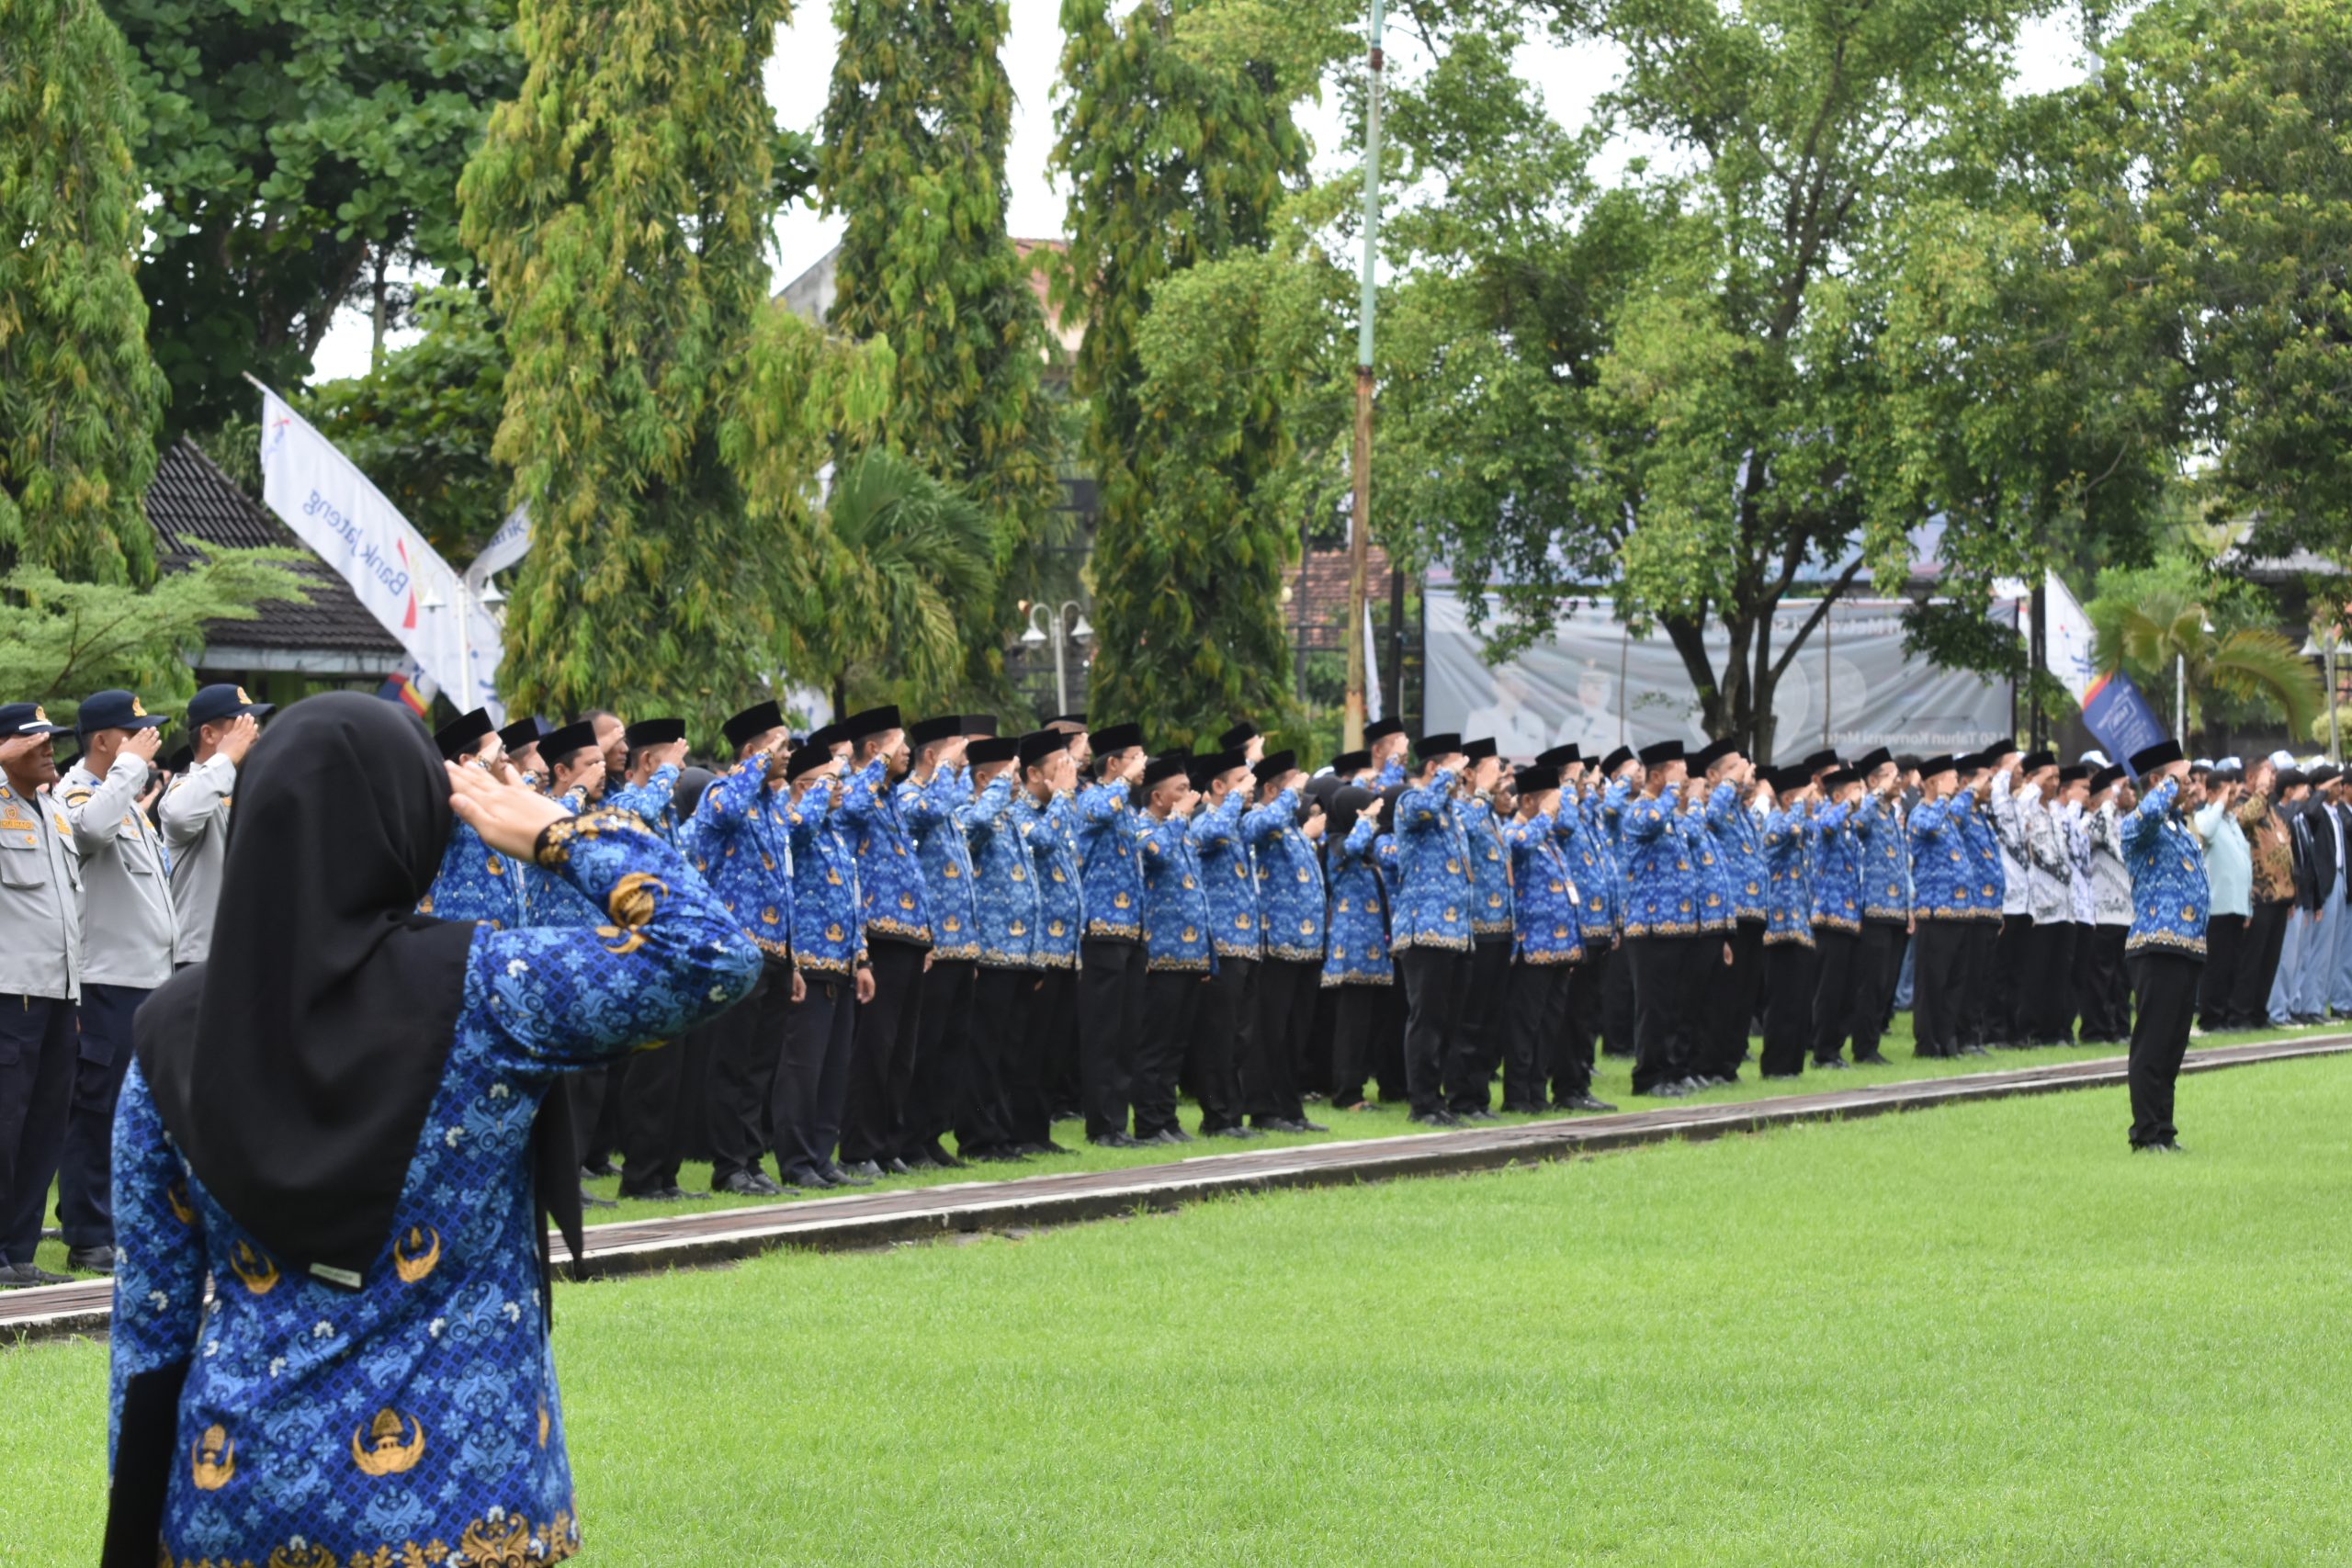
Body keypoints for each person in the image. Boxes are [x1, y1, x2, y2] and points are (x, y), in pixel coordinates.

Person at [100, 693, 759, 1567]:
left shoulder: (170, 1032)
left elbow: (150, 1332)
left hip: (237, 1494)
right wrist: (560, 831)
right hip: (462, 1500)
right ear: (413, 825)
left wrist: (132, 1537)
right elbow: (713, 954)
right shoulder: (489, 988)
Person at [57, 692, 184, 1275]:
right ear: (104, 740)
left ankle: (120, 1223)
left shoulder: (124, 800)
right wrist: (130, 769)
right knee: (97, 1111)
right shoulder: (78, 793)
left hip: (148, 980)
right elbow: (87, 833)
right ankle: (88, 1232)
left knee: (138, 1115)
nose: (146, 740)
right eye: (134, 733)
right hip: (107, 982)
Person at [682, 701, 804, 1196]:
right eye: (779, 746)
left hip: (775, 953)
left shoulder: (774, 805)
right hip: (735, 951)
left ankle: (751, 1161)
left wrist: (794, 959)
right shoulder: (721, 793)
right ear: (752, 751)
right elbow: (728, 809)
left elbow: (784, 884)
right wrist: (757, 763)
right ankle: (728, 1165)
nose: (788, 754)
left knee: (760, 1067)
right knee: (730, 1064)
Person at [0, 702, 83, 1289]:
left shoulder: (54, 810)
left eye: (52, 738)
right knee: (5, 1122)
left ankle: (20, 1251)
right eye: (35, 741)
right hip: (11, 992)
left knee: (44, 1124)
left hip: (59, 991)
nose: (50, 747)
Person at [835, 706, 930, 1179]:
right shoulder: (855, 788)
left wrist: (926, 933)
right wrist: (875, 766)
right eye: (898, 744)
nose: (907, 751)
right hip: (878, 935)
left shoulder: (889, 797)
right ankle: (858, 1148)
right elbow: (849, 810)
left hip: (909, 935)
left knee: (900, 1053)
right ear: (874, 750)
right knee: (874, 1047)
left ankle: (889, 1142)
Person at [777, 737, 875, 1189]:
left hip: (841, 963)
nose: (841, 788)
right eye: (831, 781)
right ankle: (796, 1161)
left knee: (835, 1069)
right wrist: (820, 786)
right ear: (803, 786)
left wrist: (862, 958)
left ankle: (822, 1156)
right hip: (809, 961)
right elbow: (797, 831)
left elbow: (850, 901)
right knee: (803, 1069)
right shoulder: (795, 822)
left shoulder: (834, 832)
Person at [959, 733, 1056, 1156]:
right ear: (984, 778)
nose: (1016, 780)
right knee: (982, 1052)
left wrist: (1036, 955)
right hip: (992, 951)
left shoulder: (1012, 818)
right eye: (1008, 773)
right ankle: (979, 1137)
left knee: (1008, 1052)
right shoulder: (970, 812)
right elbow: (975, 827)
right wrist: (999, 787)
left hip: (1021, 954)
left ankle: (1002, 1132)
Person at [900, 716, 989, 1164]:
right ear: (933, 756)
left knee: (951, 1049)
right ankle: (911, 1137)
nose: (964, 763)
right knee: (926, 1046)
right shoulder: (910, 797)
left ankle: (933, 1134)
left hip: (962, 945)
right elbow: (927, 812)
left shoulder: (947, 802)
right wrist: (947, 773)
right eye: (957, 754)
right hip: (933, 944)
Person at [2117, 739, 2208, 1152]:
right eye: (2180, 778)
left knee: (2173, 1046)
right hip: (2156, 945)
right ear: (2157, 781)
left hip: (2187, 945)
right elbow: (2147, 815)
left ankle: (2164, 1131)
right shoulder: (2140, 824)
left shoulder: (2178, 827)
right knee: (2152, 1043)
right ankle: (2145, 1133)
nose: (2189, 785)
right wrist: (2170, 782)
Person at [1392, 734, 1477, 1123]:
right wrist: (1447, 774)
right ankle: (1422, 1103)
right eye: (1457, 768)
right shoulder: (1411, 801)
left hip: (1457, 932)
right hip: (1425, 930)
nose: (1461, 777)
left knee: (1448, 1022)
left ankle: (1438, 1100)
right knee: (1425, 1020)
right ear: (1433, 768)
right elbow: (1422, 806)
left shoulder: (1452, 813)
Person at [1621, 739, 1711, 1096]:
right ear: (1657, 776)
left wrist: (1695, 801)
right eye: (1679, 771)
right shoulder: (1639, 811)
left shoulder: (1671, 814)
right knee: (1653, 1008)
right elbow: (1651, 823)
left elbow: (1695, 834)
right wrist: (1673, 793)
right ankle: (1647, 1078)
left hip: (1680, 926)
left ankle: (1672, 1072)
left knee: (1674, 1007)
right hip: (1651, 928)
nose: (1686, 778)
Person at [1073, 722, 1148, 1146]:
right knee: (1102, 1032)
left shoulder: (1128, 808)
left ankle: (1118, 1121)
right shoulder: (1091, 796)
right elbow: (1097, 814)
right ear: (1114, 764)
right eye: (1135, 757)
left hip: (1132, 931)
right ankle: (1100, 1124)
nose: (1143, 765)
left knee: (1126, 1032)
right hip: (1101, 929)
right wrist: (1122, 782)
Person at [1247, 749, 1329, 1134]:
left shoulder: (1293, 830)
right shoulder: (1259, 818)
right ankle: (1264, 1109)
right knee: (1270, 1032)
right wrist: (1289, 797)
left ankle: (1290, 1108)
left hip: (1307, 946)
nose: (1299, 796)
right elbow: (1259, 827)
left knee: (1296, 1033)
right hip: (1276, 943)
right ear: (1271, 789)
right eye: (1293, 787)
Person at [156, 684, 269, 964]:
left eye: (254, 723)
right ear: (209, 735)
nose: (254, 733)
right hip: (200, 956)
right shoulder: (186, 788)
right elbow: (180, 816)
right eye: (242, 725)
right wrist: (226, 758)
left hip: (246, 950)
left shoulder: (243, 786)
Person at [1133, 752, 1212, 1145]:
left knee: (1176, 1045)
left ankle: (1167, 1119)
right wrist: (1180, 818)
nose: (1189, 796)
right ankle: (1149, 1123)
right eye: (1181, 789)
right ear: (1157, 796)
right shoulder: (1143, 828)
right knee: (1154, 1044)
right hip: (1160, 955)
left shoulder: (1181, 831)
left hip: (1189, 954)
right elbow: (1157, 856)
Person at [1187, 748, 1262, 1137]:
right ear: (1218, 786)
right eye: (1240, 781)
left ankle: (1233, 1114)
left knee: (1240, 1036)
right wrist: (1234, 799)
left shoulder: (1237, 824)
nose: (1249, 788)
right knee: (1217, 1036)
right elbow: (1206, 835)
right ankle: (1216, 1117)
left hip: (1246, 943)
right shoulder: (1205, 820)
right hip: (1220, 945)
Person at [1499, 766, 1583, 1111]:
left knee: (1549, 1024)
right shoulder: (1514, 831)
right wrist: (1546, 814)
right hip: (1531, 945)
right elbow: (1518, 846)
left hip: (1560, 947)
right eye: (1549, 803)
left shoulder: (1548, 839)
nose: (1556, 811)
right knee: (1525, 1024)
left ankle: (1537, 1091)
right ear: (1528, 801)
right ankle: (1517, 1095)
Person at [1016, 731, 1085, 1130]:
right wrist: (1062, 796)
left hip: (1067, 948)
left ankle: (1039, 1129)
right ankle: (1024, 1127)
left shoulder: (1060, 809)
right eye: (1060, 768)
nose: (1069, 774)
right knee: (1033, 1043)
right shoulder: (1020, 812)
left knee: (1056, 1044)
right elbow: (1041, 842)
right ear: (1033, 774)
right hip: (1038, 946)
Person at [1321, 785, 1396, 1114]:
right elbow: (1351, 845)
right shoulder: (1338, 848)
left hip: (1373, 951)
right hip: (1350, 950)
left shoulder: (1365, 852)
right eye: (1367, 811)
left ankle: (1358, 1089)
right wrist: (1366, 819)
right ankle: (1346, 1093)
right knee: (1351, 1026)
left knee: (1366, 1025)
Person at [422, 709, 526, 931]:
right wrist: (478, 766)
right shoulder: (450, 804)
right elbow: (444, 799)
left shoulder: (501, 806)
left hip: (505, 942)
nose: (506, 757)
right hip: (460, 941)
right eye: (498, 750)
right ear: (467, 761)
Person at [1905, 755, 1973, 1059]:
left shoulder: (1947, 816)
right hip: (1935, 910)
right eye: (1950, 777)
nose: (1956, 783)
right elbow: (1930, 826)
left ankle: (1947, 1039)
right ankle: (1927, 1042)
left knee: (1955, 981)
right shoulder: (1921, 814)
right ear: (1933, 782)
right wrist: (1943, 798)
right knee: (1932, 981)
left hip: (1960, 910)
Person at [1758, 767, 1818, 1077]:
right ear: (1788, 799)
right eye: (1807, 797)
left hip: (1801, 925)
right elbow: (1779, 835)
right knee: (1782, 1000)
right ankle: (1775, 1066)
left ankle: (1792, 1065)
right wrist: (1797, 804)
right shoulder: (1776, 821)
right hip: (1780, 927)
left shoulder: (1800, 827)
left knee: (1799, 1000)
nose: (1812, 802)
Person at [1849, 748, 1906, 1066]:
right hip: (1874, 908)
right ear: (1873, 781)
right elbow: (1856, 823)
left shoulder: (1891, 814)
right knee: (1871, 982)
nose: (1898, 780)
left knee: (1886, 984)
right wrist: (1874, 794)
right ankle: (1864, 1048)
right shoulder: (1868, 810)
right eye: (1890, 775)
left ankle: (1873, 1043)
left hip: (1897, 909)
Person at [1806, 765, 1865, 1067]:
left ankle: (1835, 1048)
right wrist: (1848, 804)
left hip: (1850, 917)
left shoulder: (1848, 827)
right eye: (1856, 791)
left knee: (1847, 991)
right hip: (1829, 917)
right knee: (1829, 990)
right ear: (1840, 796)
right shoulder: (1826, 818)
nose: (1861, 797)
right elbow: (1827, 824)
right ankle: (1822, 1051)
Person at [2238, 761, 2298, 1031]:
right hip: (2259, 894)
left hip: (2279, 895)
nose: (2273, 778)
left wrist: (2290, 892)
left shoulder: (2270, 808)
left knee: (2269, 959)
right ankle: (2242, 1012)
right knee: (2252, 959)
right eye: (2267, 773)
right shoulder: (2243, 803)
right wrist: (2261, 791)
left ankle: (2259, 1013)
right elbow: (2244, 820)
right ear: (2251, 776)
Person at [2194, 763, 2253, 1033]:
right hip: (2217, 906)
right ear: (2212, 793)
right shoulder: (2206, 817)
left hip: (2236, 904)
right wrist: (2217, 802)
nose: (2233, 799)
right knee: (2216, 965)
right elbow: (2205, 832)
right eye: (2229, 793)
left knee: (2232, 965)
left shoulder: (2231, 822)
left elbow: (2244, 863)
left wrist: (2248, 907)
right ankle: (2211, 1017)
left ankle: (2227, 1014)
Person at [2080, 766, 2136, 1043]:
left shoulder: (2123, 823)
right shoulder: (2091, 821)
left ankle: (2121, 1027)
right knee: (2100, 975)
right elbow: (2089, 838)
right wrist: (2105, 805)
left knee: (2122, 977)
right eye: (2120, 788)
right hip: (2101, 911)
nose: (2126, 793)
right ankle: (2096, 1029)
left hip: (2126, 912)